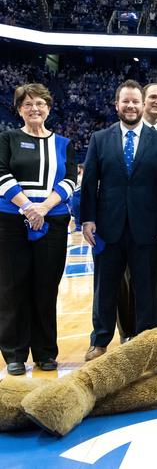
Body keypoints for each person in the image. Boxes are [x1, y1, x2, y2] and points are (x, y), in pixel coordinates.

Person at [81, 80, 157, 362]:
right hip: (108, 227)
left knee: (146, 286)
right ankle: (99, 341)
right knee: (105, 287)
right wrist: (87, 219)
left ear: (142, 104)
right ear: (117, 105)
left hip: (147, 227)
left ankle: (147, 340)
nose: (131, 106)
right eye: (126, 101)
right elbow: (89, 184)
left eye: (135, 101)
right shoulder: (100, 139)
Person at [0, 83, 76, 375]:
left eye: (40, 103)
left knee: (45, 288)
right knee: (12, 287)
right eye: (28, 104)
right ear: (19, 109)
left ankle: (45, 351)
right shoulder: (8, 138)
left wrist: (42, 208)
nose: (34, 108)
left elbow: (70, 180)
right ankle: (14, 353)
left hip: (52, 222)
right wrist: (27, 207)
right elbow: (1, 173)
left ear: (48, 107)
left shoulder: (64, 143)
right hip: (10, 222)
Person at [116, 83, 157, 342]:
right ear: (142, 101)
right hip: (125, 219)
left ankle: (155, 329)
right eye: (152, 97)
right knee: (127, 276)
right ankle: (127, 331)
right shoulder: (124, 132)